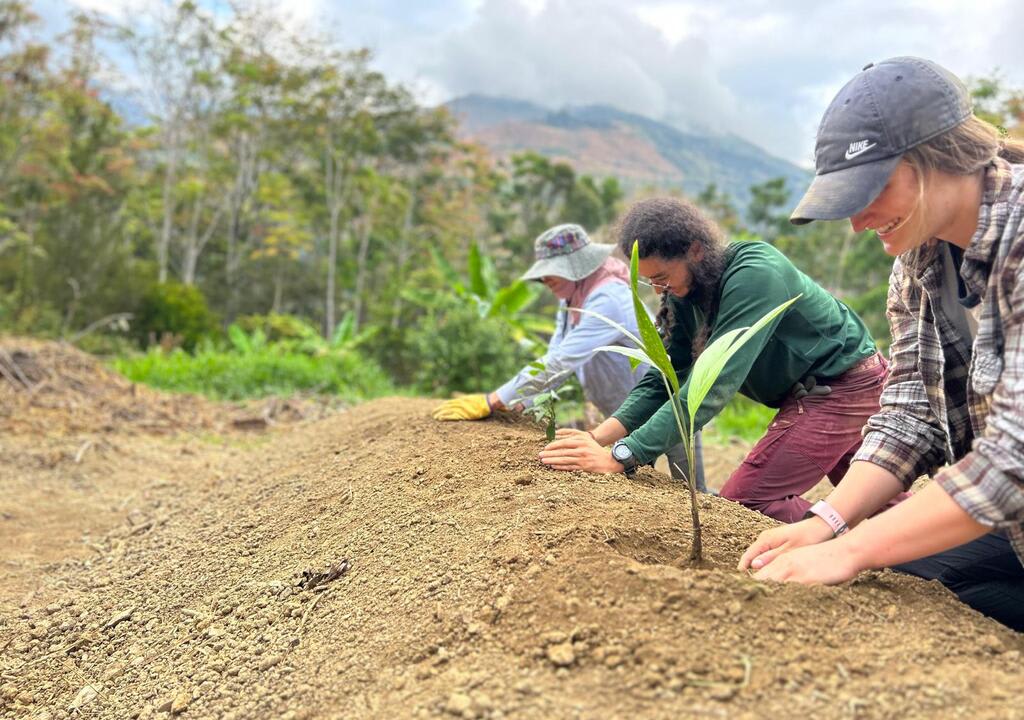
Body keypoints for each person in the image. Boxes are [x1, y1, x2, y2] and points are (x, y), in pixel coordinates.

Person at [738, 57, 1024, 632]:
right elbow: (909, 415)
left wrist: (849, 551)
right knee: (910, 574)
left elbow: (1013, 459)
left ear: (936, 157)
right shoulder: (920, 261)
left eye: (873, 189)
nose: (858, 221)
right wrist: (828, 523)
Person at [538, 197, 893, 523]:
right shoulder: (684, 292)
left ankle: (855, 541)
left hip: (844, 388)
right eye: (651, 283)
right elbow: (666, 376)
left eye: (661, 277)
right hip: (815, 393)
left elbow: (712, 387)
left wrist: (622, 456)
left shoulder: (755, 274)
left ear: (694, 251)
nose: (659, 290)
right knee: (877, 503)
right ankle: (935, 562)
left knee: (748, 503)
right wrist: (599, 438)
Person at [432, 224, 701, 487]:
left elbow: (561, 362)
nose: (544, 280)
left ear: (578, 267)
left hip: (663, 405)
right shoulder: (572, 299)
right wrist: (521, 401)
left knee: (689, 488)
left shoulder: (609, 298)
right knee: (638, 486)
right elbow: (556, 358)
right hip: (621, 417)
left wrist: (494, 399)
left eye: (552, 272)